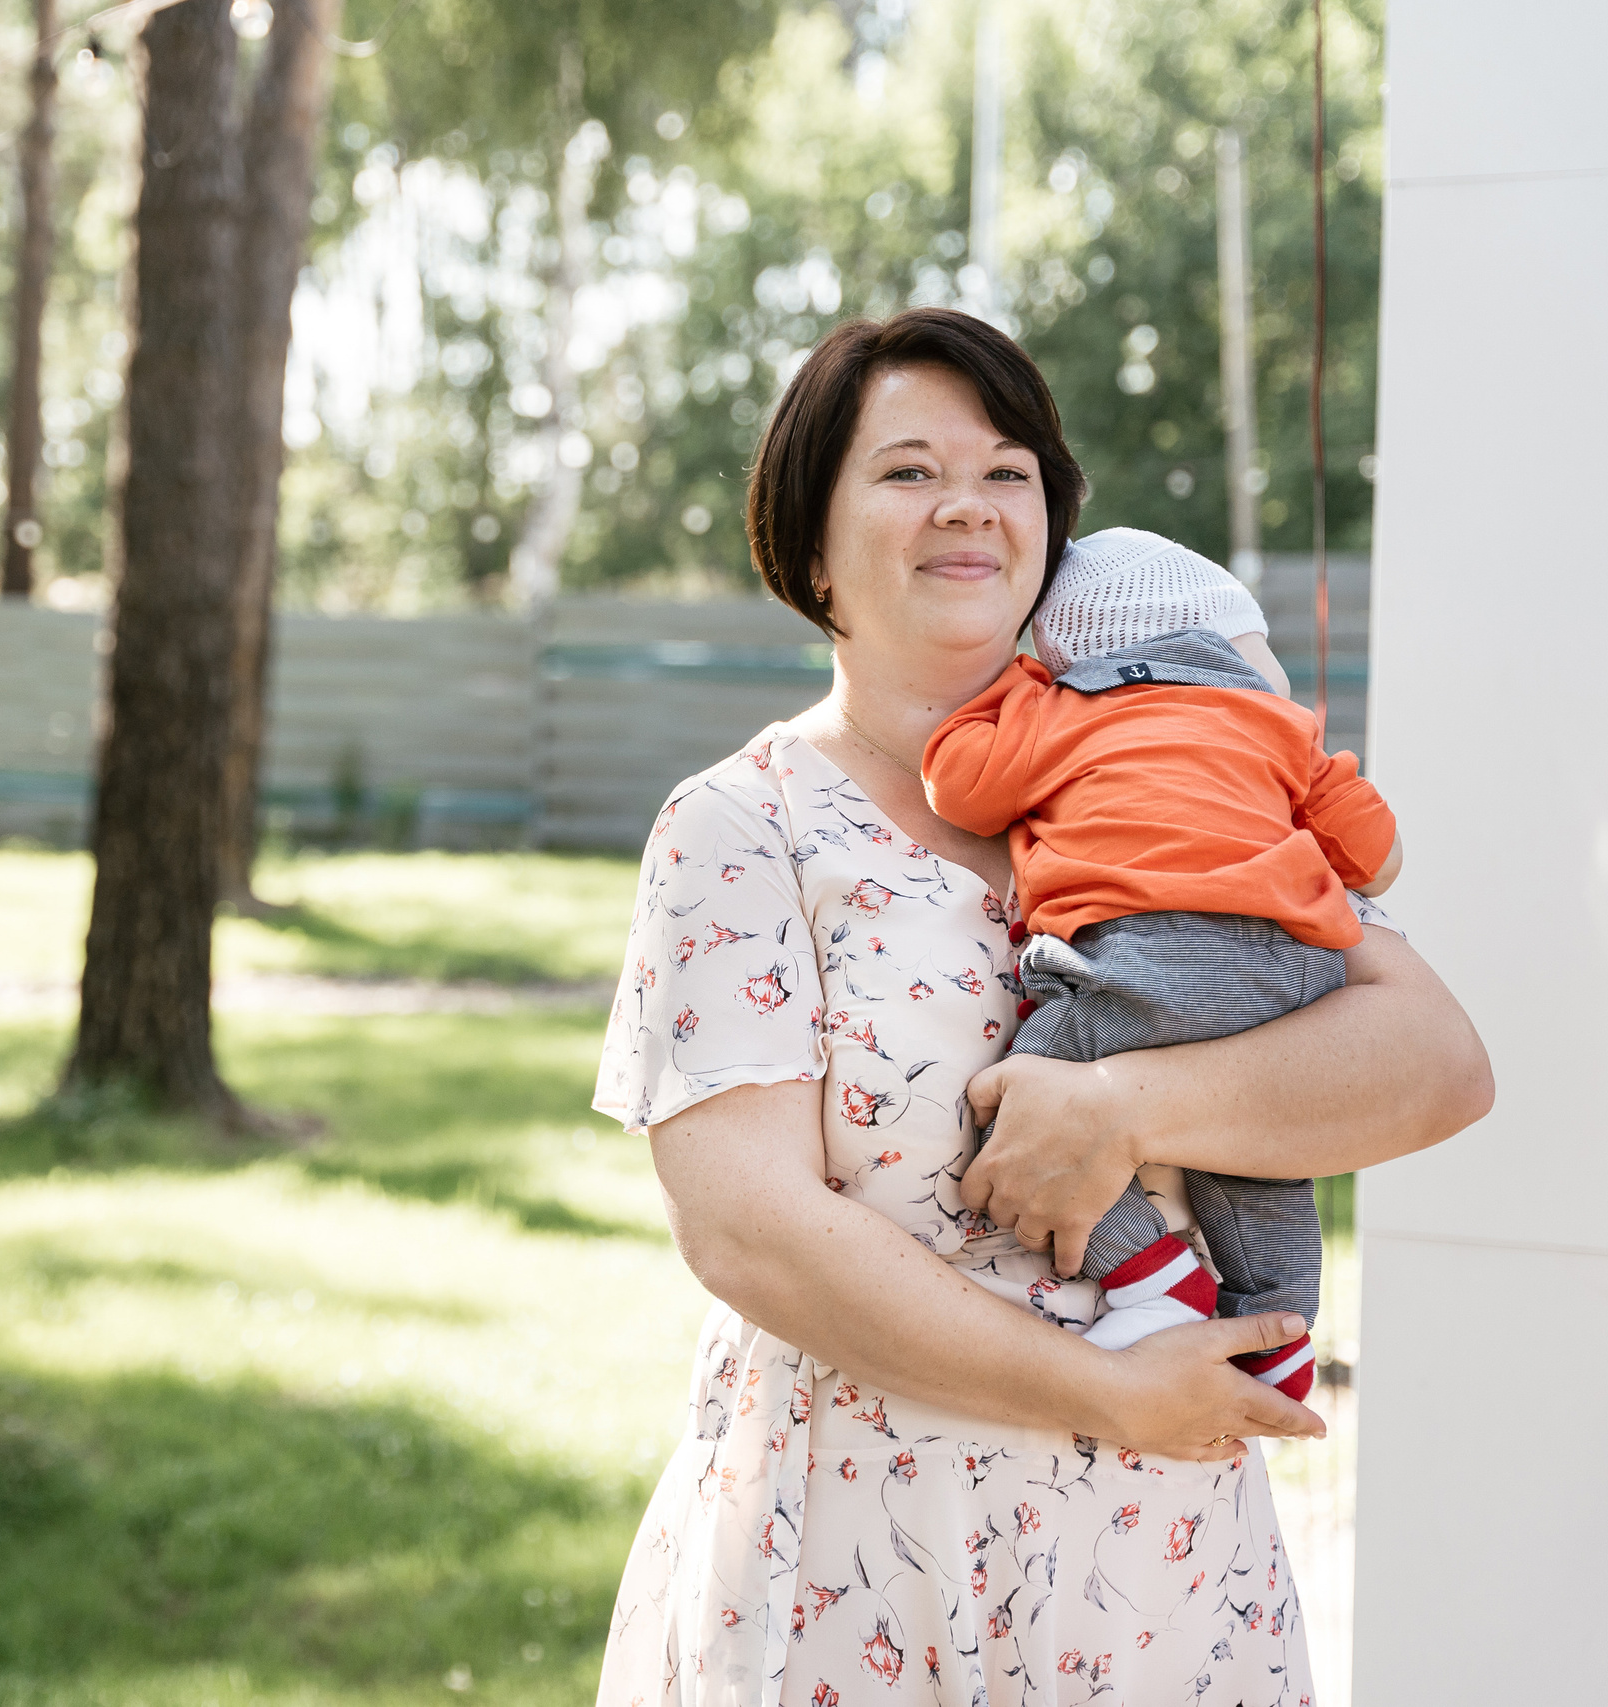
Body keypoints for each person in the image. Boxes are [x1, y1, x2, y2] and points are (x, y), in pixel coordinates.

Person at [591, 308, 1490, 1705]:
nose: (967, 502)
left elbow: (1436, 1061)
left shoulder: (1176, 759)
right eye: (906, 469)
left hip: (1158, 1565)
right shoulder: (741, 824)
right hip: (868, 1555)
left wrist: (1123, 1103)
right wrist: (1106, 1391)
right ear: (811, 543)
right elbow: (748, 1225)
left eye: (1008, 470)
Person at [922, 528, 1402, 1402]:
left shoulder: (1061, 711)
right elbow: (1374, 855)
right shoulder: (1280, 728)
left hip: (1145, 965)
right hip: (1286, 977)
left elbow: (959, 784)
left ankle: (1152, 1279)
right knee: (1258, 1160)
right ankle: (1284, 1339)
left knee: (1022, 1111)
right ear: (1224, 641)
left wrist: (1015, 691)